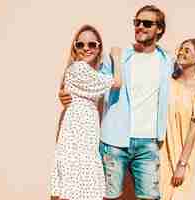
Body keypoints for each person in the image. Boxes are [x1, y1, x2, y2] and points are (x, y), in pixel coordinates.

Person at [59, 5, 174, 200]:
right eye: (136, 22)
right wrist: (64, 93)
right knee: (108, 197)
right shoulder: (117, 58)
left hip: (149, 142)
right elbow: (90, 84)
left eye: (147, 23)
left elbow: (185, 81)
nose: (140, 27)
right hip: (114, 141)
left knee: (150, 197)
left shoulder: (167, 61)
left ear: (160, 29)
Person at [50, 24, 122, 200]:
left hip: (85, 134)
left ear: (98, 48)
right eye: (80, 45)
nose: (86, 48)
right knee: (77, 186)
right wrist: (117, 57)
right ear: (74, 48)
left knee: (79, 188)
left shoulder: (89, 72)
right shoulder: (78, 68)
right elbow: (117, 83)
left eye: (92, 44)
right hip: (77, 137)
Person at [159, 38, 195, 200]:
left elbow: (193, 130)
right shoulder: (168, 81)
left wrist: (182, 165)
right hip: (160, 148)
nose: (181, 52)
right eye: (181, 48)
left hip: (182, 151)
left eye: (187, 50)